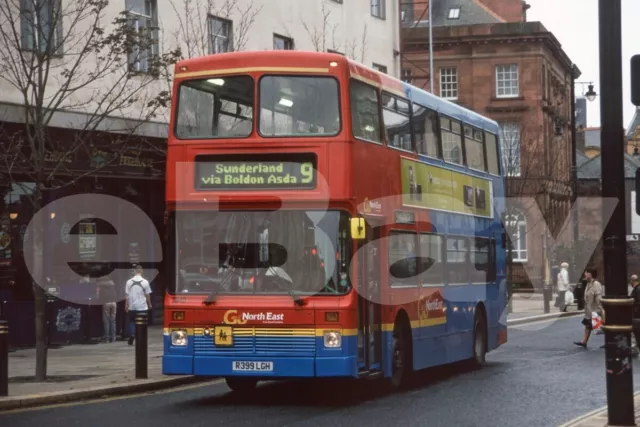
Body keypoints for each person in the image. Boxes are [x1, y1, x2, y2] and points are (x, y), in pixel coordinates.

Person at [574, 268, 604, 348]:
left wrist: (599, 309)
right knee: (587, 325)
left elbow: (598, 296)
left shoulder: (596, 284)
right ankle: (584, 342)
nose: (585, 274)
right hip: (589, 310)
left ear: (590, 274)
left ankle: (609, 341)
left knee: (602, 326)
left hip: (595, 309)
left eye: (586, 273)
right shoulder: (588, 283)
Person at [125, 265, 152, 346]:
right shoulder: (145, 282)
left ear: (134, 271)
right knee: (143, 323)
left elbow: (126, 295)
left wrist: (126, 304)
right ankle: (141, 338)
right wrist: (149, 304)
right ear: (141, 271)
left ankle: (132, 334)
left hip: (132, 307)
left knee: (132, 321)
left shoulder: (129, 282)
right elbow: (147, 295)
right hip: (142, 307)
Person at [97, 275, 117, 343]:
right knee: (113, 321)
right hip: (114, 303)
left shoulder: (100, 286)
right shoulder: (112, 285)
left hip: (106, 303)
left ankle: (107, 338)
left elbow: (98, 296)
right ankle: (113, 338)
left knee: (106, 321)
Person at [630, 275, 640, 356]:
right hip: (636, 315)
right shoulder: (637, 289)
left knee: (635, 332)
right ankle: (634, 349)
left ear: (633, 281)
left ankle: (635, 349)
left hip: (637, 315)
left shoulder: (638, 289)